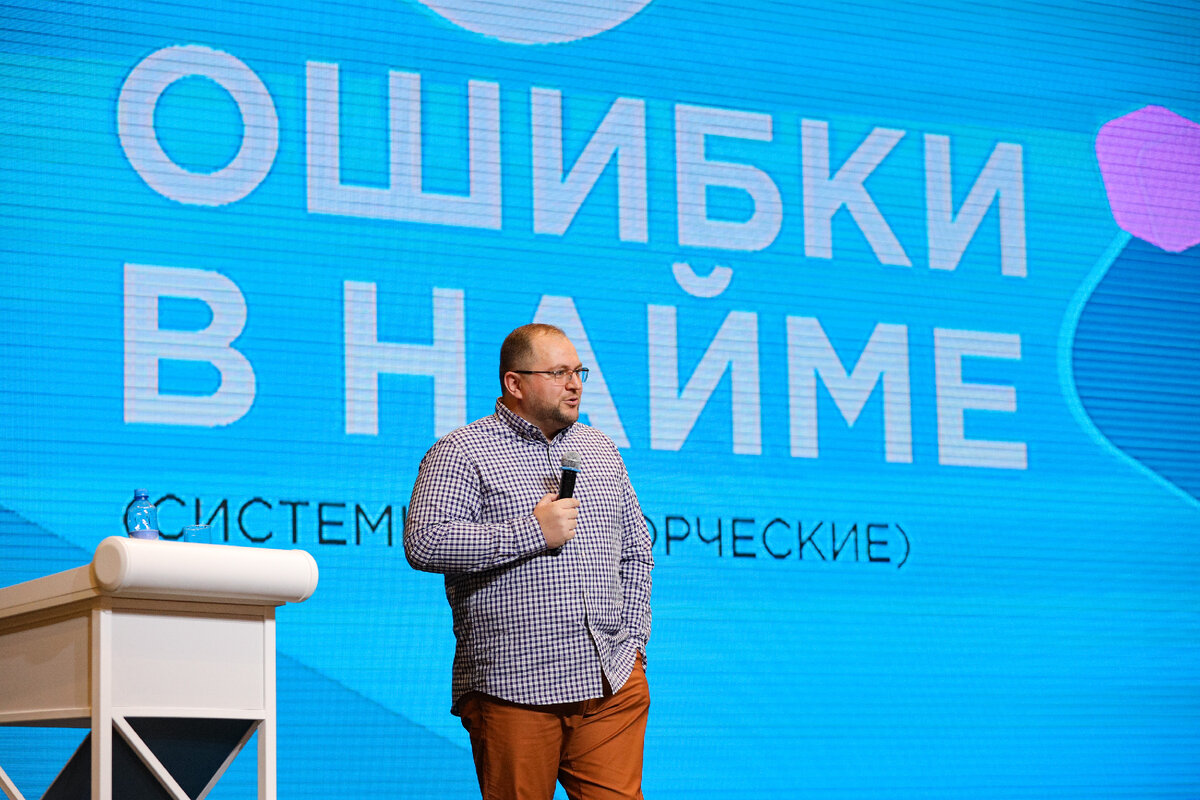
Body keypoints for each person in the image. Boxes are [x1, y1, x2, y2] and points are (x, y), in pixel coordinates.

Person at [405, 323, 654, 800]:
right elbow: (426, 542)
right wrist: (533, 531)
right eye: (559, 373)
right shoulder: (462, 451)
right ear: (514, 383)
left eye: (578, 372)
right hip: (515, 686)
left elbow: (636, 550)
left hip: (609, 681)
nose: (575, 384)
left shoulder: (600, 449)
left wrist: (634, 645)